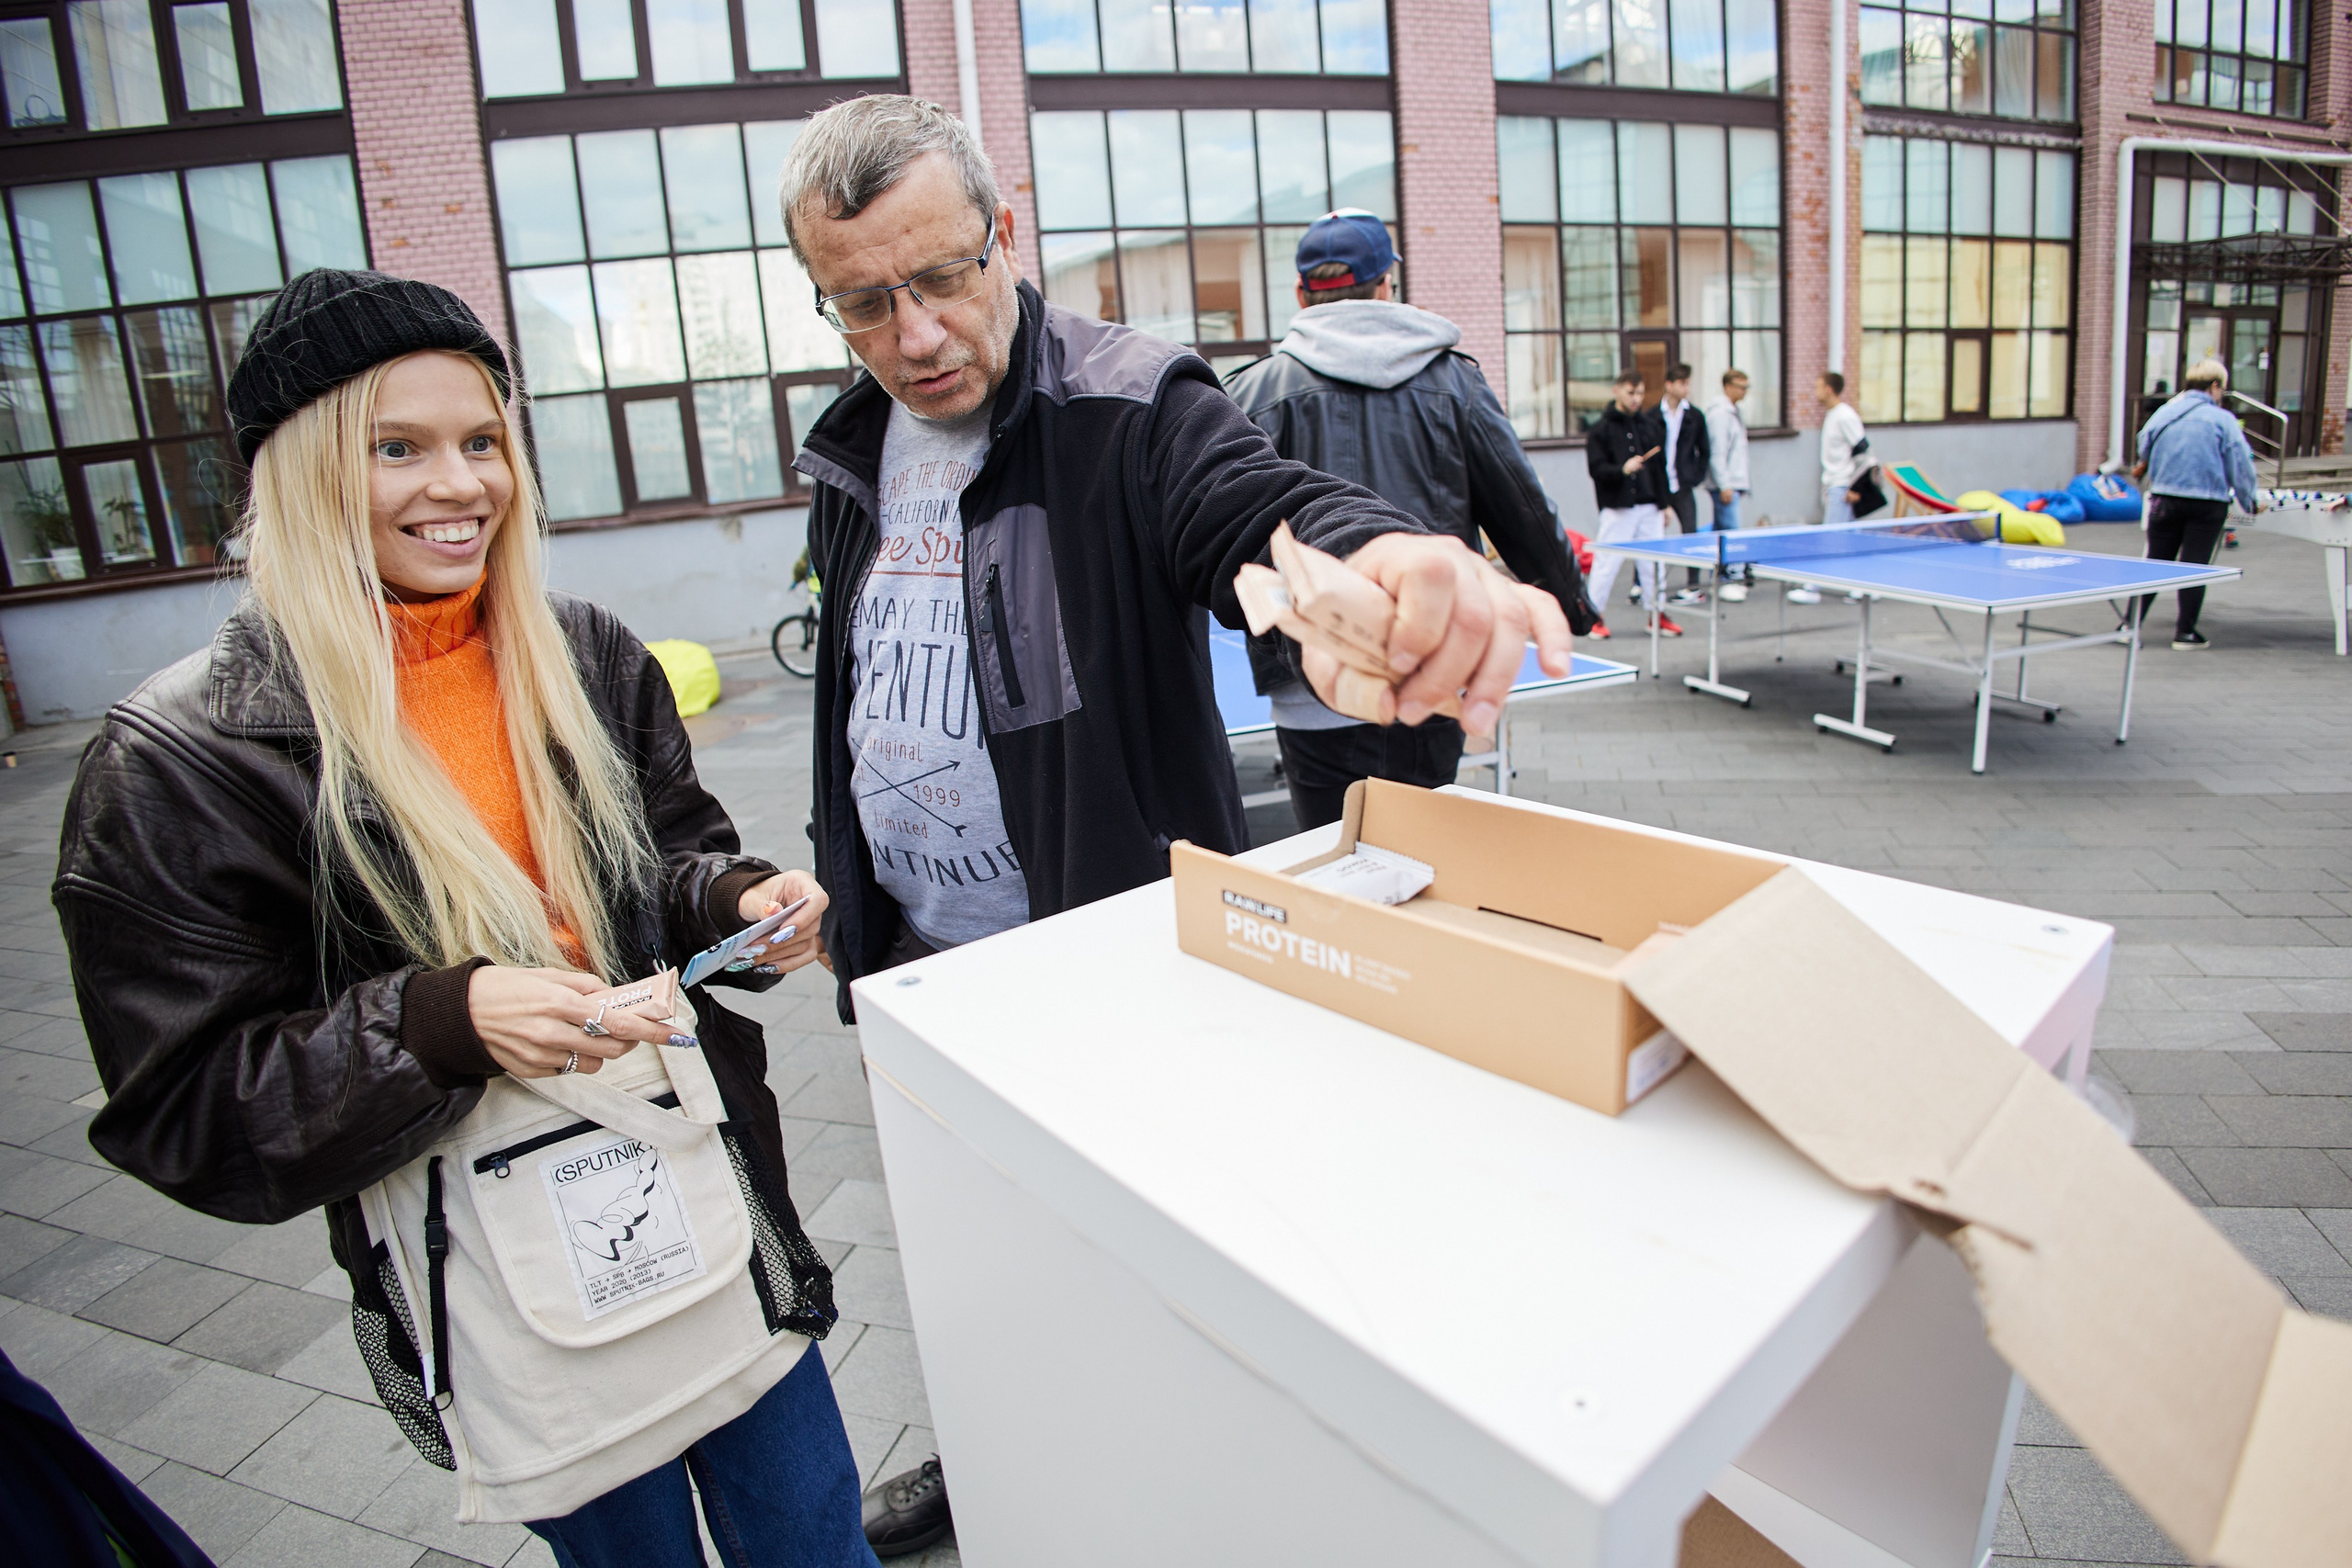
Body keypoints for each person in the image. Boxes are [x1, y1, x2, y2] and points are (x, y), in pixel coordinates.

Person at [775, 96, 1571, 1553]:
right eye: (866, 302)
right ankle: (985, 1452)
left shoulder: (1130, 400)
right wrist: (848, 874)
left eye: (946, 275)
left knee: (1134, 1268)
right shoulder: (851, 446)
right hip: (914, 971)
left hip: (1094, 958)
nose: (918, 332)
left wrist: (1386, 563)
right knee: (969, 1264)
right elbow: (865, 695)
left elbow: (1251, 505)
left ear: (1003, 235)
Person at [51, 271, 870, 1568]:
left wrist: (728, 898)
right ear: (304, 467)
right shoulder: (180, 756)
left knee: (817, 1531)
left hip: (703, 1187)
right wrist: (441, 1020)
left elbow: (659, 860)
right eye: (398, 446)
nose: (461, 483)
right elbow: (190, 1104)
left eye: (482, 439)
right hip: (492, 1251)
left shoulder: (583, 647)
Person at [1221, 210, 1591, 829]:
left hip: (1308, 666)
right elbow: (1522, 507)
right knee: (1423, 853)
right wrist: (1570, 604)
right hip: (1433, 653)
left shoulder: (1252, 390)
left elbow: (1223, 526)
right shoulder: (1455, 381)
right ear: (1388, 284)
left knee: (1332, 851)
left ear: (1300, 294)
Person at [2133, 356, 2260, 649]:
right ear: (2215, 386)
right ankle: (2185, 633)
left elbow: (2144, 443)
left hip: (2164, 498)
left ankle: (2130, 625)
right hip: (2207, 503)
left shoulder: (2166, 412)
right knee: (2195, 567)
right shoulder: (2223, 420)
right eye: (2222, 390)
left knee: (2155, 562)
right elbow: (2239, 464)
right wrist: (2249, 500)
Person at [1583, 369, 1679, 637]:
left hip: (1649, 505)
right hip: (1618, 507)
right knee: (1607, 563)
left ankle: (1656, 614)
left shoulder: (1648, 426)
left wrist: (1665, 504)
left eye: (1640, 393)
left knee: (1653, 564)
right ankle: (1593, 616)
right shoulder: (1601, 430)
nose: (1636, 399)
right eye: (1631, 392)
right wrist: (1622, 470)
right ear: (1617, 391)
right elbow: (1596, 469)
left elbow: (1659, 468)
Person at [1801, 371, 1871, 604]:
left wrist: (1855, 486)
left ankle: (1813, 587)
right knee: (1852, 538)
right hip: (1834, 483)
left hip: (1842, 485)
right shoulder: (1832, 415)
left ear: (1829, 389)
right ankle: (1866, 585)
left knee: (1829, 537)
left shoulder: (1845, 416)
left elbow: (1863, 450)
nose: (1816, 391)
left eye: (1819, 386)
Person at [1657, 362, 1712, 605]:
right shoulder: (1653, 415)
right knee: (1650, 536)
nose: (1686, 387)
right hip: (1659, 486)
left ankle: (1693, 586)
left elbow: (1705, 451)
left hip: (1683, 485)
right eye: (1682, 383)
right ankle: (1642, 585)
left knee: (1691, 533)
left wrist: (1694, 476)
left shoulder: (1695, 416)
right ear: (1669, 385)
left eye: (1688, 383)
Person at [1706, 368, 1754, 602]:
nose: (1745, 391)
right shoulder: (1720, 415)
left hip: (1732, 483)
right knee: (1731, 533)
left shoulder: (1734, 412)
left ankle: (1720, 574)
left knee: (1722, 530)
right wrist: (1725, 484)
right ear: (1728, 386)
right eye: (1741, 386)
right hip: (1725, 486)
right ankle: (1728, 579)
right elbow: (1717, 453)